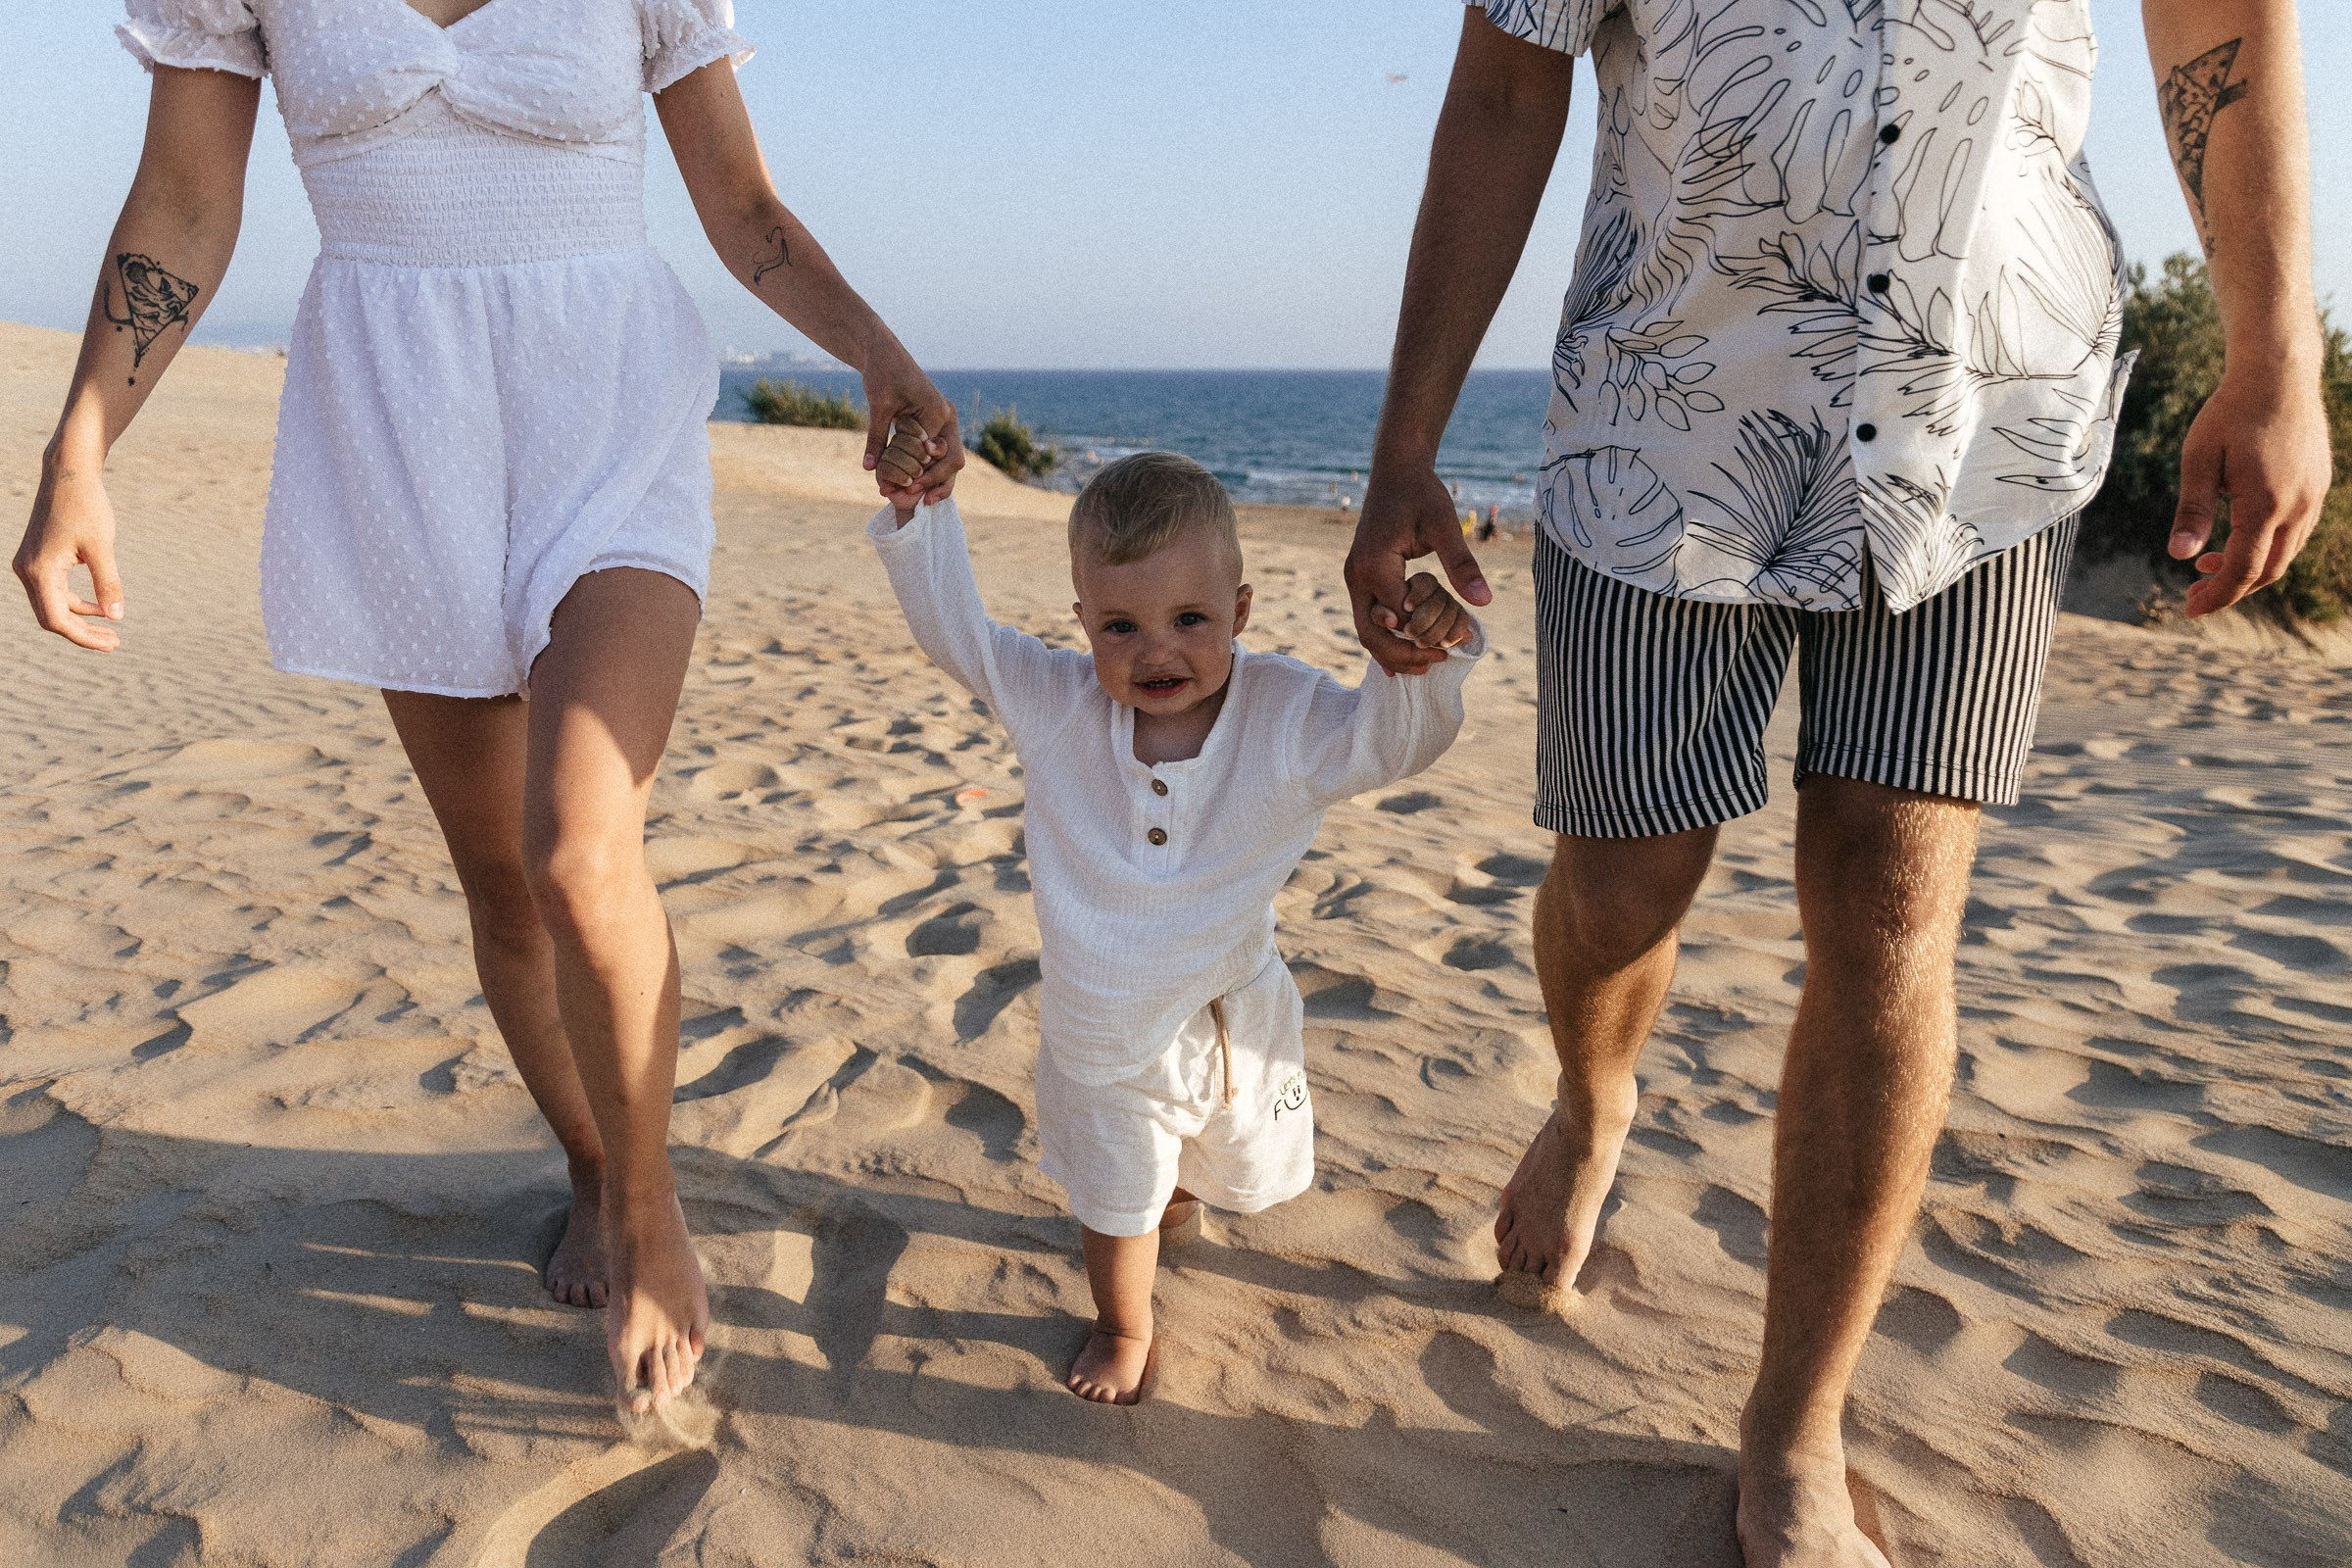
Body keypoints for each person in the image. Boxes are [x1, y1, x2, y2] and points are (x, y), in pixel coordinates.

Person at [1347, 2, 2327, 1563]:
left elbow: (2221, 30)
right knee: (1622, 887)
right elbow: (1500, 88)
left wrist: (2276, 351)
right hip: (1668, 421)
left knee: (1887, 908)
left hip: (1986, 427)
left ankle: (1794, 1427)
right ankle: (1596, 1092)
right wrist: (1406, 451)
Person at [12, 0, 963, 1413]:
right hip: (401, 445)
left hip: (609, 424)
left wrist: (877, 353)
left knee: (582, 851)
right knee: (507, 886)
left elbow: (743, 207)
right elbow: (188, 207)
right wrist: (81, 450)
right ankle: (589, 1157)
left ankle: (650, 1214)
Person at [868, 451, 1482, 1404]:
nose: (1156, 650)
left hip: (1230, 1019)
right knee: (1117, 1198)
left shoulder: (1282, 713)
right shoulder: (1058, 702)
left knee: (1213, 1157)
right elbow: (962, 638)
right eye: (1121, 626)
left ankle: (1179, 1197)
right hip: (1100, 1034)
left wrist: (1418, 658)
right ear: (1083, 625)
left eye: (1188, 619)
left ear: (1238, 610)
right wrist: (919, 517)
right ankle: (1125, 1322)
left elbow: (1389, 742)